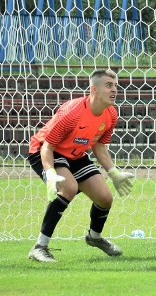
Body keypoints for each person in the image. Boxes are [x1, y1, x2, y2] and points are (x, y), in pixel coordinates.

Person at [27, 69, 135, 263]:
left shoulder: (111, 114)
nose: (115, 90)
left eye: (116, 85)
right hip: (45, 150)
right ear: (94, 89)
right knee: (69, 187)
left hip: (75, 153)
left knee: (105, 198)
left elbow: (99, 146)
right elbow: (47, 147)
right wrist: (50, 174)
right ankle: (39, 247)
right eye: (108, 85)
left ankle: (94, 237)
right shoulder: (72, 112)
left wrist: (114, 173)